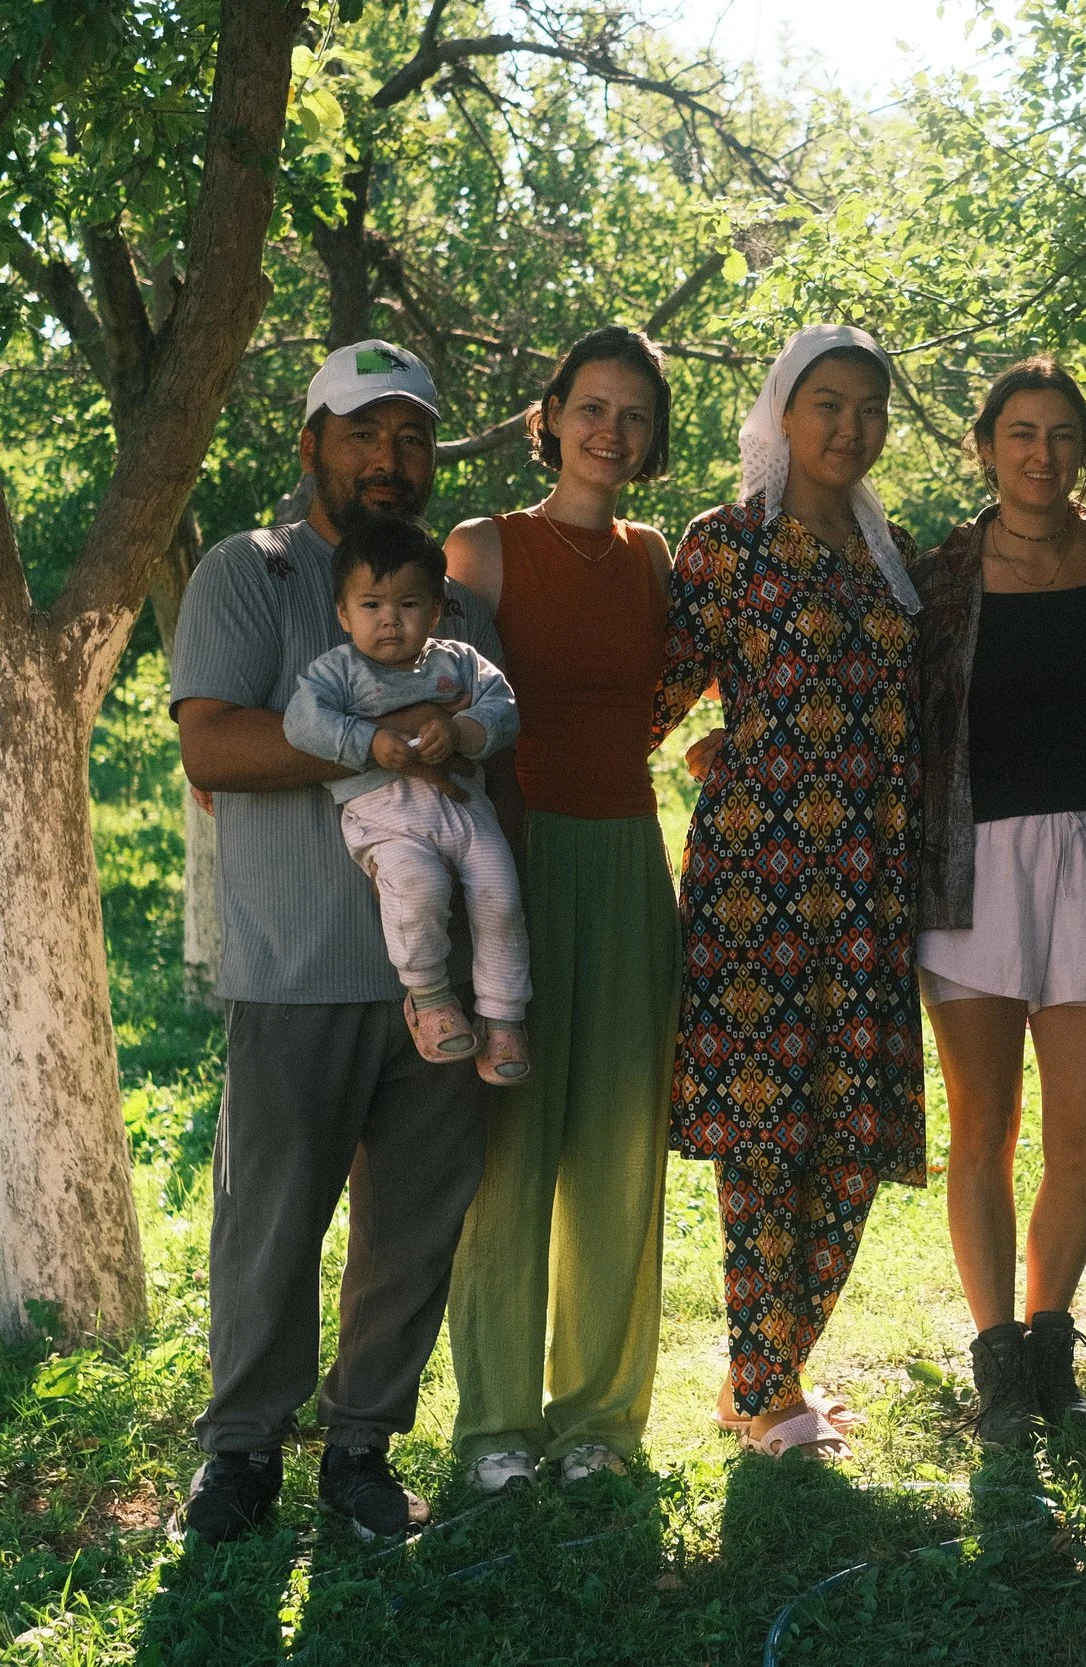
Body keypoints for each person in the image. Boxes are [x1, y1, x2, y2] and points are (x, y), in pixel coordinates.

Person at [170, 340, 499, 1543]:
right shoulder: (250, 570)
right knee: (271, 1219)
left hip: (436, 980)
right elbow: (213, 745)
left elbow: (486, 746)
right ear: (310, 441)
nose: (389, 456)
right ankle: (242, 1450)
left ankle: (361, 1442)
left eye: (412, 435)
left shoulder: (447, 594)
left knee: (412, 1222)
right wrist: (384, 737)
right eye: (363, 431)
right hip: (297, 966)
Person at [653, 324, 923, 1464]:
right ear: (781, 410)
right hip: (757, 886)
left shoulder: (889, 548)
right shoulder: (726, 544)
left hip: (870, 883)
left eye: (868, 406)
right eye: (826, 402)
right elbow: (653, 700)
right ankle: (768, 1395)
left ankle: (767, 1364)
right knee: (767, 1130)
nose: (847, 426)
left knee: (851, 1132)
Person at [441, 326, 683, 1494]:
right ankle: (493, 1424)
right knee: (509, 1143)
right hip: (513, 860)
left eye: (634, 415)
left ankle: (598, 1419)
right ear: (551, 413)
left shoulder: (657, 560)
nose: (611, 430)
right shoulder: (484, 548)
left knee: (618, 1143)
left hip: (629, 857)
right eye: (593, 405)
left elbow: (701, 687)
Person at [912, 359, 1086, 1446]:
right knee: (984, 1128)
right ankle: (996, 1362)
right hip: (975, 870)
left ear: (1083, 448)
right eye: (1020, 432)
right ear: (984, 444)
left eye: (1063, 434)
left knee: (1079, 1131)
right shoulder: (941, 576)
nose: (1041, 454)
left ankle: (1053, 1339)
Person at [283, 516, 529, 1081]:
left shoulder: (459, 662)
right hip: (384, 816)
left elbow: (502, 706)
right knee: (418, 890)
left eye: (409, 603)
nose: (390, 619)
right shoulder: (338, 672)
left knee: (500, 895)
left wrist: (464, 732)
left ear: (437, 609)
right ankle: (431, 998)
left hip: (465, 808)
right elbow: (302, 722)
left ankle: (503, 1018)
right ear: (343, 615)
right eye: (370, 606)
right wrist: (366, 740)